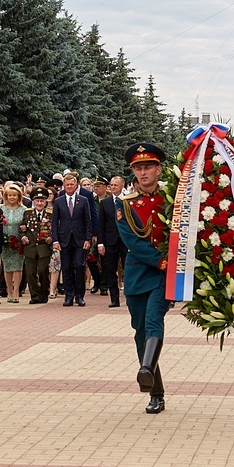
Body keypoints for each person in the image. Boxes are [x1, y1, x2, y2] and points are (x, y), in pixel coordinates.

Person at [115, 143, 172, 414]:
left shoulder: (173, 199)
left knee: (153, 320)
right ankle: (155, 390)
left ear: (158, 169)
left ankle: (146, 368)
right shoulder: (124, 205)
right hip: (138, 272)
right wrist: (160, 259)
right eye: (138, 168)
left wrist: (169, 264)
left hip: (163, 274)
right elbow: (132, 242)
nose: (143, 171)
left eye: (148, 166)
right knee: (140, 329)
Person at [51, 172, 93, 307]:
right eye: (67, 184)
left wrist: (88, 239)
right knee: (66, 268)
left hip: (80, 240)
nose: (69, 187)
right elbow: (54, 222)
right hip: (64, 240)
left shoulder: (83, 200)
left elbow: (88, 221)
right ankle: (69, 296)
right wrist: (55, 240)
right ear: (64, 185)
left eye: (71, 184)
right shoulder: (58, 201)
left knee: (79, 266)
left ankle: (79, 296)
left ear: (76, 185)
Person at [98, 175, 127, 307]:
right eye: (111, 185)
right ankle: (114, 299)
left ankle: (130, 296)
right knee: (111, 270)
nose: (113, 187)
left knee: (129, 269)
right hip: (110, 241)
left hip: (126, 241)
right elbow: (101, 224)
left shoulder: (128, 201)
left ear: (122, 186)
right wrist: (100, 243)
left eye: (116, 185)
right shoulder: (105, 203)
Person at [22, 188, 54, 304]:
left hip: (44, 247)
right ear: (33, 202)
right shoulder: (27, 213)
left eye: (42, 201)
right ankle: (34, 295)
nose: (39, 203)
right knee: (30, 273)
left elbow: (56, 229)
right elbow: (22, 227)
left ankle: (44, 293)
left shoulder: (51, 214)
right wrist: (22, 236)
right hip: (30, 247)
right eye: (37, 201)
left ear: (46, 202)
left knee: (42, 271)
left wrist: (52, 238)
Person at [0, 184, 27, 303]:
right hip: (4, 241)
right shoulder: (1, 208)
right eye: (10, 195)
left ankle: (16, 291)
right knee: (7, 267)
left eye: (14, 195)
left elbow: (27, 224)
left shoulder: (24, 209)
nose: (12, 197)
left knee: (17, 267)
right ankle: (9, 291)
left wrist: (24, 228)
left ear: (19, 196)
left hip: (18, 242)